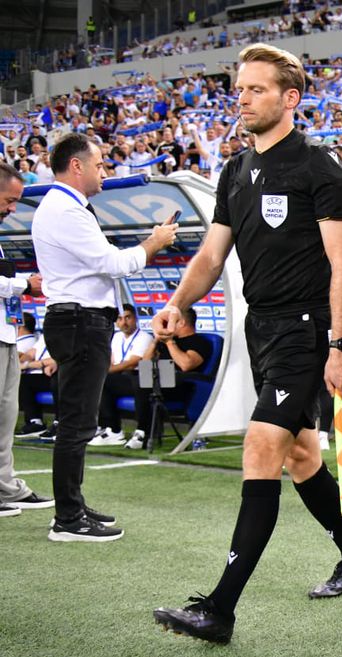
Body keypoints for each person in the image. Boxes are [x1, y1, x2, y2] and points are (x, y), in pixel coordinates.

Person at [152, 44, 342, 644]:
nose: (242, 99)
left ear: (289, 98)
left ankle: (220, 609)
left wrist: (341, 343)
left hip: (307, 329)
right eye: (240, 89)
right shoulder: (235, 170)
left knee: (260, 450)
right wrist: (178, 303)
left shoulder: (319, 168)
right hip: (261, 330)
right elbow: (210, 254)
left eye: (255, 89)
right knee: (301, 456)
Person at [32, 133, 177, 542]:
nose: (104, 172)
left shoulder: (65, 208)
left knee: (80, 421)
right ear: (76, 166)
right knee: (77, 423)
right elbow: (112, 262)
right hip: (80, 323)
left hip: (79, 322)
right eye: (99, 165)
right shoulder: (65, 209)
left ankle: (71, 507)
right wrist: (154, 242)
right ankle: (67, 519)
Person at [0, 162, 54, 517]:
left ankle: (6, 487)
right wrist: (24, 285)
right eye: (9, 200)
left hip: (5, 337)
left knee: (5, 417)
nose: (12, 209)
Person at [127, 306, 214, 451]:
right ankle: (110, 430)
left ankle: (142, 433)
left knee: (143, 382)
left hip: (182, 385)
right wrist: (155, 341)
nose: (167, 326)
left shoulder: (199, 342)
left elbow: (186, 365)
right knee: (110, 381)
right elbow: (145, 363)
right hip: (157, 380)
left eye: (170, 322)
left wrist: (169, 343)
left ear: (181, 323)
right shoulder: (167, 341)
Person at [92, 303, 154, 447]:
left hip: (139, 377)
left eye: (128, 318)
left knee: (102, 378)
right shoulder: (116, 337)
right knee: (99, 382)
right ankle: (111, 429)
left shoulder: (144, 337)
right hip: (121, 377)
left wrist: (104, 371)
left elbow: (132, 363)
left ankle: (140, 432)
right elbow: (111, 360)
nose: (124, 322)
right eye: (119, 319)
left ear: (135, 319)